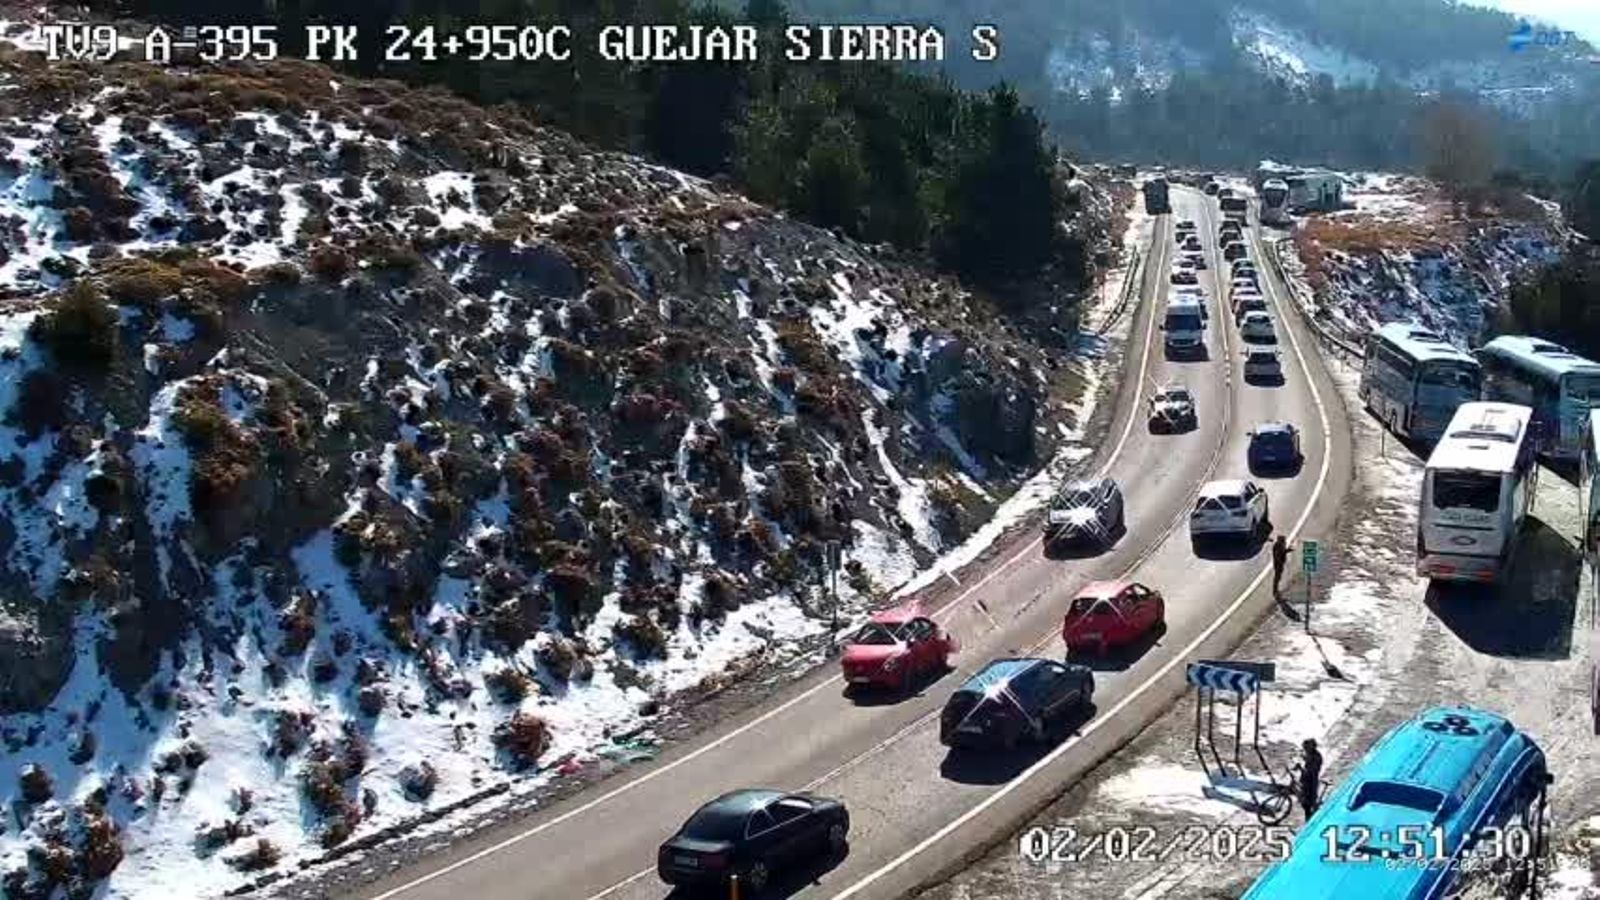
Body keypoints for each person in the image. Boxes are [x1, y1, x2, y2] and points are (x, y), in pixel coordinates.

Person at [1299, 738, 1323, 819]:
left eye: (1306, 748)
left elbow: (1312, 770)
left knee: (1308, 804)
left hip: (1311, 782)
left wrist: (1303, 770)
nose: (1305, 750)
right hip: (1306, 781)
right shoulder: (1311, 754)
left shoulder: (1317, 757)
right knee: (1305, 803)